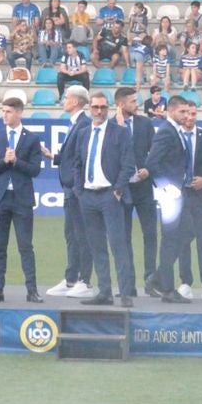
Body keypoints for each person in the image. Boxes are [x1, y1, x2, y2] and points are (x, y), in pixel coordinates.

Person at [148, 96, 202, 303]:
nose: (187, 116)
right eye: (183, 112)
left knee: (192, 235)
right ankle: (172, 285)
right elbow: (153, 163)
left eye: (190, 112)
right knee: (173, 239)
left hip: (195, 194)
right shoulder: (169, 132)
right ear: (173, 111)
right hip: (175, 195)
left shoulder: (201, 136)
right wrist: (168, 189)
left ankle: (163, 278)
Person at [72, 90, 137, 307]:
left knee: (118, 245)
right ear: (89, 109)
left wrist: (118, 190)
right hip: (88, 196)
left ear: (108, 108)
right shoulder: (83, 133)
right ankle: (104, 291)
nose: (98, 111)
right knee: (96, 246)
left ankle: (126, 293)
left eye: (102, 107)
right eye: (95, 107)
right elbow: (78, 163)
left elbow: (128, 164)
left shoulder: (119, 132)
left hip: (110, 196)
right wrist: (79, 190)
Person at [0, 97, 42, 303]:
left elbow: (35, 170)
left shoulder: (32, 139)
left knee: (25, 246)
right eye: (3, 111)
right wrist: (4, 161)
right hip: (0, 198)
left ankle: (32, 290)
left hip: (22, 199)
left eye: (8, 111)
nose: (4, 115)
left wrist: (16, 162)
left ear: (19, 113)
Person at [46, 85, 95, 298]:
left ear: (75, 101)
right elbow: (72, 155)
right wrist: (54, 157)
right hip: (69, 187)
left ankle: (84, 280)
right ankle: (71, 278)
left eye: (66, 98)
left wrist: (76, 186)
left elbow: (82, 158)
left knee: (82, 235)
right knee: (71, 234)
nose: (63, 101)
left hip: (76, 189)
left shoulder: (83, 124)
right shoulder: (76, 123)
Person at [112, 87, 158, 297]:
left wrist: (148, 169)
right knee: (123, 237)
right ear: (121, 104)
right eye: (132, 101)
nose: (136, 104)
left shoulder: (145, 123)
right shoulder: (110, 125)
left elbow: (155, 151)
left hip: (143, 187)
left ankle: (151, 281)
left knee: (150, 234)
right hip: (122, 189)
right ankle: (127, 285)